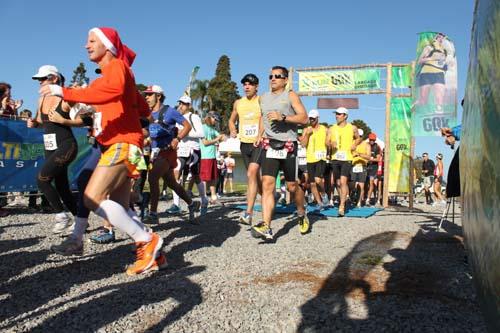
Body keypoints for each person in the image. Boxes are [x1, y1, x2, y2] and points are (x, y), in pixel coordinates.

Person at [41, 27, 164, 276]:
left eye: (91, 41)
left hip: (123, 144)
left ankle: (146, 240)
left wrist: (64, 91)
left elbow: (118, 93)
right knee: (121, 207)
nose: (86, 45)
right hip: (119, 143)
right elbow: (142, 109)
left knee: (91, 197)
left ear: (107, 45)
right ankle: (155, 254)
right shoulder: (110, 76)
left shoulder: (117, 66)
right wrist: (108, 116)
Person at [251, 65, 309, 241]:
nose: (273, 79)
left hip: (288, 145)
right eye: (270, 76)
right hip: (269, 144)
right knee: (267, 184)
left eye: (277, 76)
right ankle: (266, 226)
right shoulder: (263, 98)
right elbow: (263, 117)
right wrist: (259, 134)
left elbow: (304, 118)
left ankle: (301, 212)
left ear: (285, 79)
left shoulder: (290, 95)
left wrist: (283, 118)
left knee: (292, 186)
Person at [27, 65, 78, 233]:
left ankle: (61, 216)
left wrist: (63, 121)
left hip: (66, 145)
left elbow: (85, 121)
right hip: (50, 147)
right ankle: (80, 221)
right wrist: (34, 123)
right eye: (38, 80)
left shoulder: (65, 97)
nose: (40, 82)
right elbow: (41, 122)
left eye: (43, 79)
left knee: (42, 179)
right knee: (62, 186)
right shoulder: (40, 100)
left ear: (54, 79)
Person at [142, 85, 200, 224]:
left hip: (168, 151)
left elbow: (187, 126)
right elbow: (147, 132)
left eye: (150, 94)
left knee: (153, 176)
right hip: (154, 153)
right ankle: (191, 204)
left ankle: (153, 213)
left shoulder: (170, 111)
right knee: (172, 183)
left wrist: (177, 139)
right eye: (146, 95)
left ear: (159, 96)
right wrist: (144, 139)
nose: (146, 97)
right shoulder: (147, 114)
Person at [229, 73, 263, 223]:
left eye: (250, 84)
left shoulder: (261, 101)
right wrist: (232, 129)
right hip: (244, 143)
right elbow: (231, 120)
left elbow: (264, 118)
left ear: (256, 87)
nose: (246, 86)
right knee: (255, 177)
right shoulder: (238, 103)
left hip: (259, 142)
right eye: (244, 84)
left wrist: (260, 135)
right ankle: (267, 195)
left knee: (251, 173)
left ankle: (248, 213)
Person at [169, 95, 208, 215]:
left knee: (196, 177)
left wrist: (185, 133)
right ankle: (176, 204)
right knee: (176, 173)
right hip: (181, 150)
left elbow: (200, 133)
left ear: (189, 106)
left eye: (184, 104)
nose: (181, 106)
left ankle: (204, 199)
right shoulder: (177, 118)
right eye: (180, 103)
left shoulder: (193, 116)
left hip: (193, 150)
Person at [326, 107, 361, 216]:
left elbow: (358, 138)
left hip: (347, 158)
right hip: (335, 157)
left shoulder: (352, 128)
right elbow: (326, 141)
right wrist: (330, 144)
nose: (336, 116)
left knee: (343, 181)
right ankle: (344, 199)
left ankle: (342, 206)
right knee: (337, 183)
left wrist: (354, 144)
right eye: (336, 114)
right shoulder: (332, 128)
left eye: (339, 114)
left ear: (345, 116)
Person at [299, 109, 329, 209]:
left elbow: (329, 142)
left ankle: (324, 194)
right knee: (312, 183)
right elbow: (303, 144)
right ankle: (320, 203)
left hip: (321, 157)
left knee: (317, 179)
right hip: (310, 158)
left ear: (317, 118)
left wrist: (329, 148)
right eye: (310, 119)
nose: (311, 120)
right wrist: (307, 134)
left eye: (313, 119)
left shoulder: (324, 129)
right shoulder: (306, 129)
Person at [417, 32, 448, 113]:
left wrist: (444, 64)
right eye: (439, 37)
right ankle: (418, 108)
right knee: (424, 99)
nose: (441, 38)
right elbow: (419, 61)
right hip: (426, 73)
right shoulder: (428, 48)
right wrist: (432, 58)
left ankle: (439, 111)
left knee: (440, 95)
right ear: (435, 38)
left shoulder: (444, 51)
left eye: (443, 37)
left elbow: (441, 63)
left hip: (439, 73)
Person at [200, 112, 225, 204]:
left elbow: (221, 137)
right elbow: (205, 142)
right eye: (215, 120)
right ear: (210, 118)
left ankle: (213, 197)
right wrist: (216, 139)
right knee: (204, 178)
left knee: (213, 178)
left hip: (212, 156)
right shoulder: (203, 128)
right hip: (205, 156)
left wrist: (221, 137)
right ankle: (204, 197)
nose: (216, 122)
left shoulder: (212, 128)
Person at [350, 129, 371, 207]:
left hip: (362, 166)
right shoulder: (352, 143)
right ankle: (352, 193)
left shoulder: (366, 145)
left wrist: (359, 154)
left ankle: (358, 202)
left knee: (361, 186)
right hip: (353, 166)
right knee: (352, 184)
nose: (358, 138)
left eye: (360, 136)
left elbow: (368, 157)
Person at [366, 132, 382, 206]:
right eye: (370, 140)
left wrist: (370, 159)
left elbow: (378, 159)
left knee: (371, 183)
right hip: (366, 167)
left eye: (373, 140)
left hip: (373, 168)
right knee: (365, 184)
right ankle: (362, 198)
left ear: (375, 140)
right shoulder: (366, 146)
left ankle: (368, 199)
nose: (371, 141)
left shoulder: (377, 147)